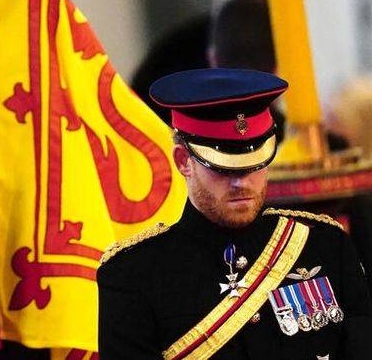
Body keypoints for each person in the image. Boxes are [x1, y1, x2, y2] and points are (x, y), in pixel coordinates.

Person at [98, 68, 372, 359]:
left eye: (253, 164)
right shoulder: (133, 274)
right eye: (223, 167)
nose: (241, 181)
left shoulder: (325, 245)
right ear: (183, 162)